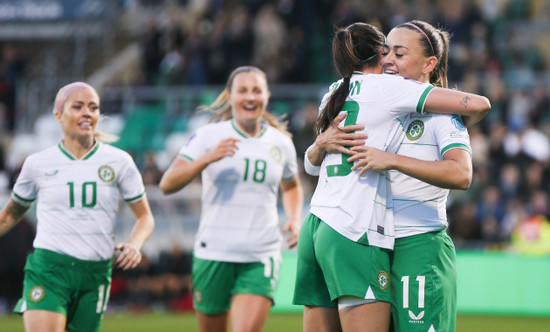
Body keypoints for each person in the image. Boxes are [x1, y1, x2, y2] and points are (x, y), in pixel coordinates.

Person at [293, 22, 490, 332]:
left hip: (418, 241)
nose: (388, 60)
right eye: (385, 52)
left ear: (429, 64)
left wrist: (393, 161)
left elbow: (462, 173)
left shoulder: (441, 115)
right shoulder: (383, 106)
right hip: (376, 240)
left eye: (399, 53)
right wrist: (319, 145)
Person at [0, 82, 155, 332]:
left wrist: (135, 245)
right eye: (78, 106)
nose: (87, 113)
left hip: (95, 274)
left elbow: (145, 217)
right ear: (58, 115)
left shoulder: (119, 162)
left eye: (93, 107)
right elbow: (9, 215)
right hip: (49, 269)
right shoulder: (37, 164)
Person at [159, 66, 303, 332]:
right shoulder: (209, 136)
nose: (250, 97)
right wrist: (207, 159)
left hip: (261, 254)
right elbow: (167, 183)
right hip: (214, 251)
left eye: (256, 90)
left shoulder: (280, 142)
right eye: (243, 90)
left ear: (267, 95)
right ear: (229, 96)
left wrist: (294, 219)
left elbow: (291, 186)